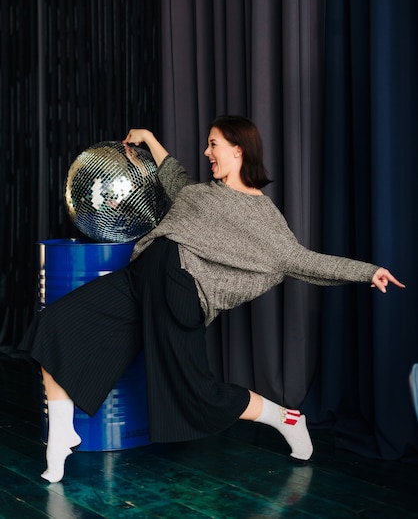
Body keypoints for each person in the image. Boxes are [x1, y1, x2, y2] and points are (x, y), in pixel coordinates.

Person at [28, 116, 405, 483]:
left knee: (199, 396)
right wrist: (147, 137)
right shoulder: (200, 192)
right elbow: (171, 172)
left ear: (239, 151)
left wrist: (367, 271)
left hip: (178, 296)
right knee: (55, 324)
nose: (207, 152)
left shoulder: (261, 215)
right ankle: (63, 434)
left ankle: (288, 419)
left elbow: (301, 259)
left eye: (214, 144)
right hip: (139, 280)